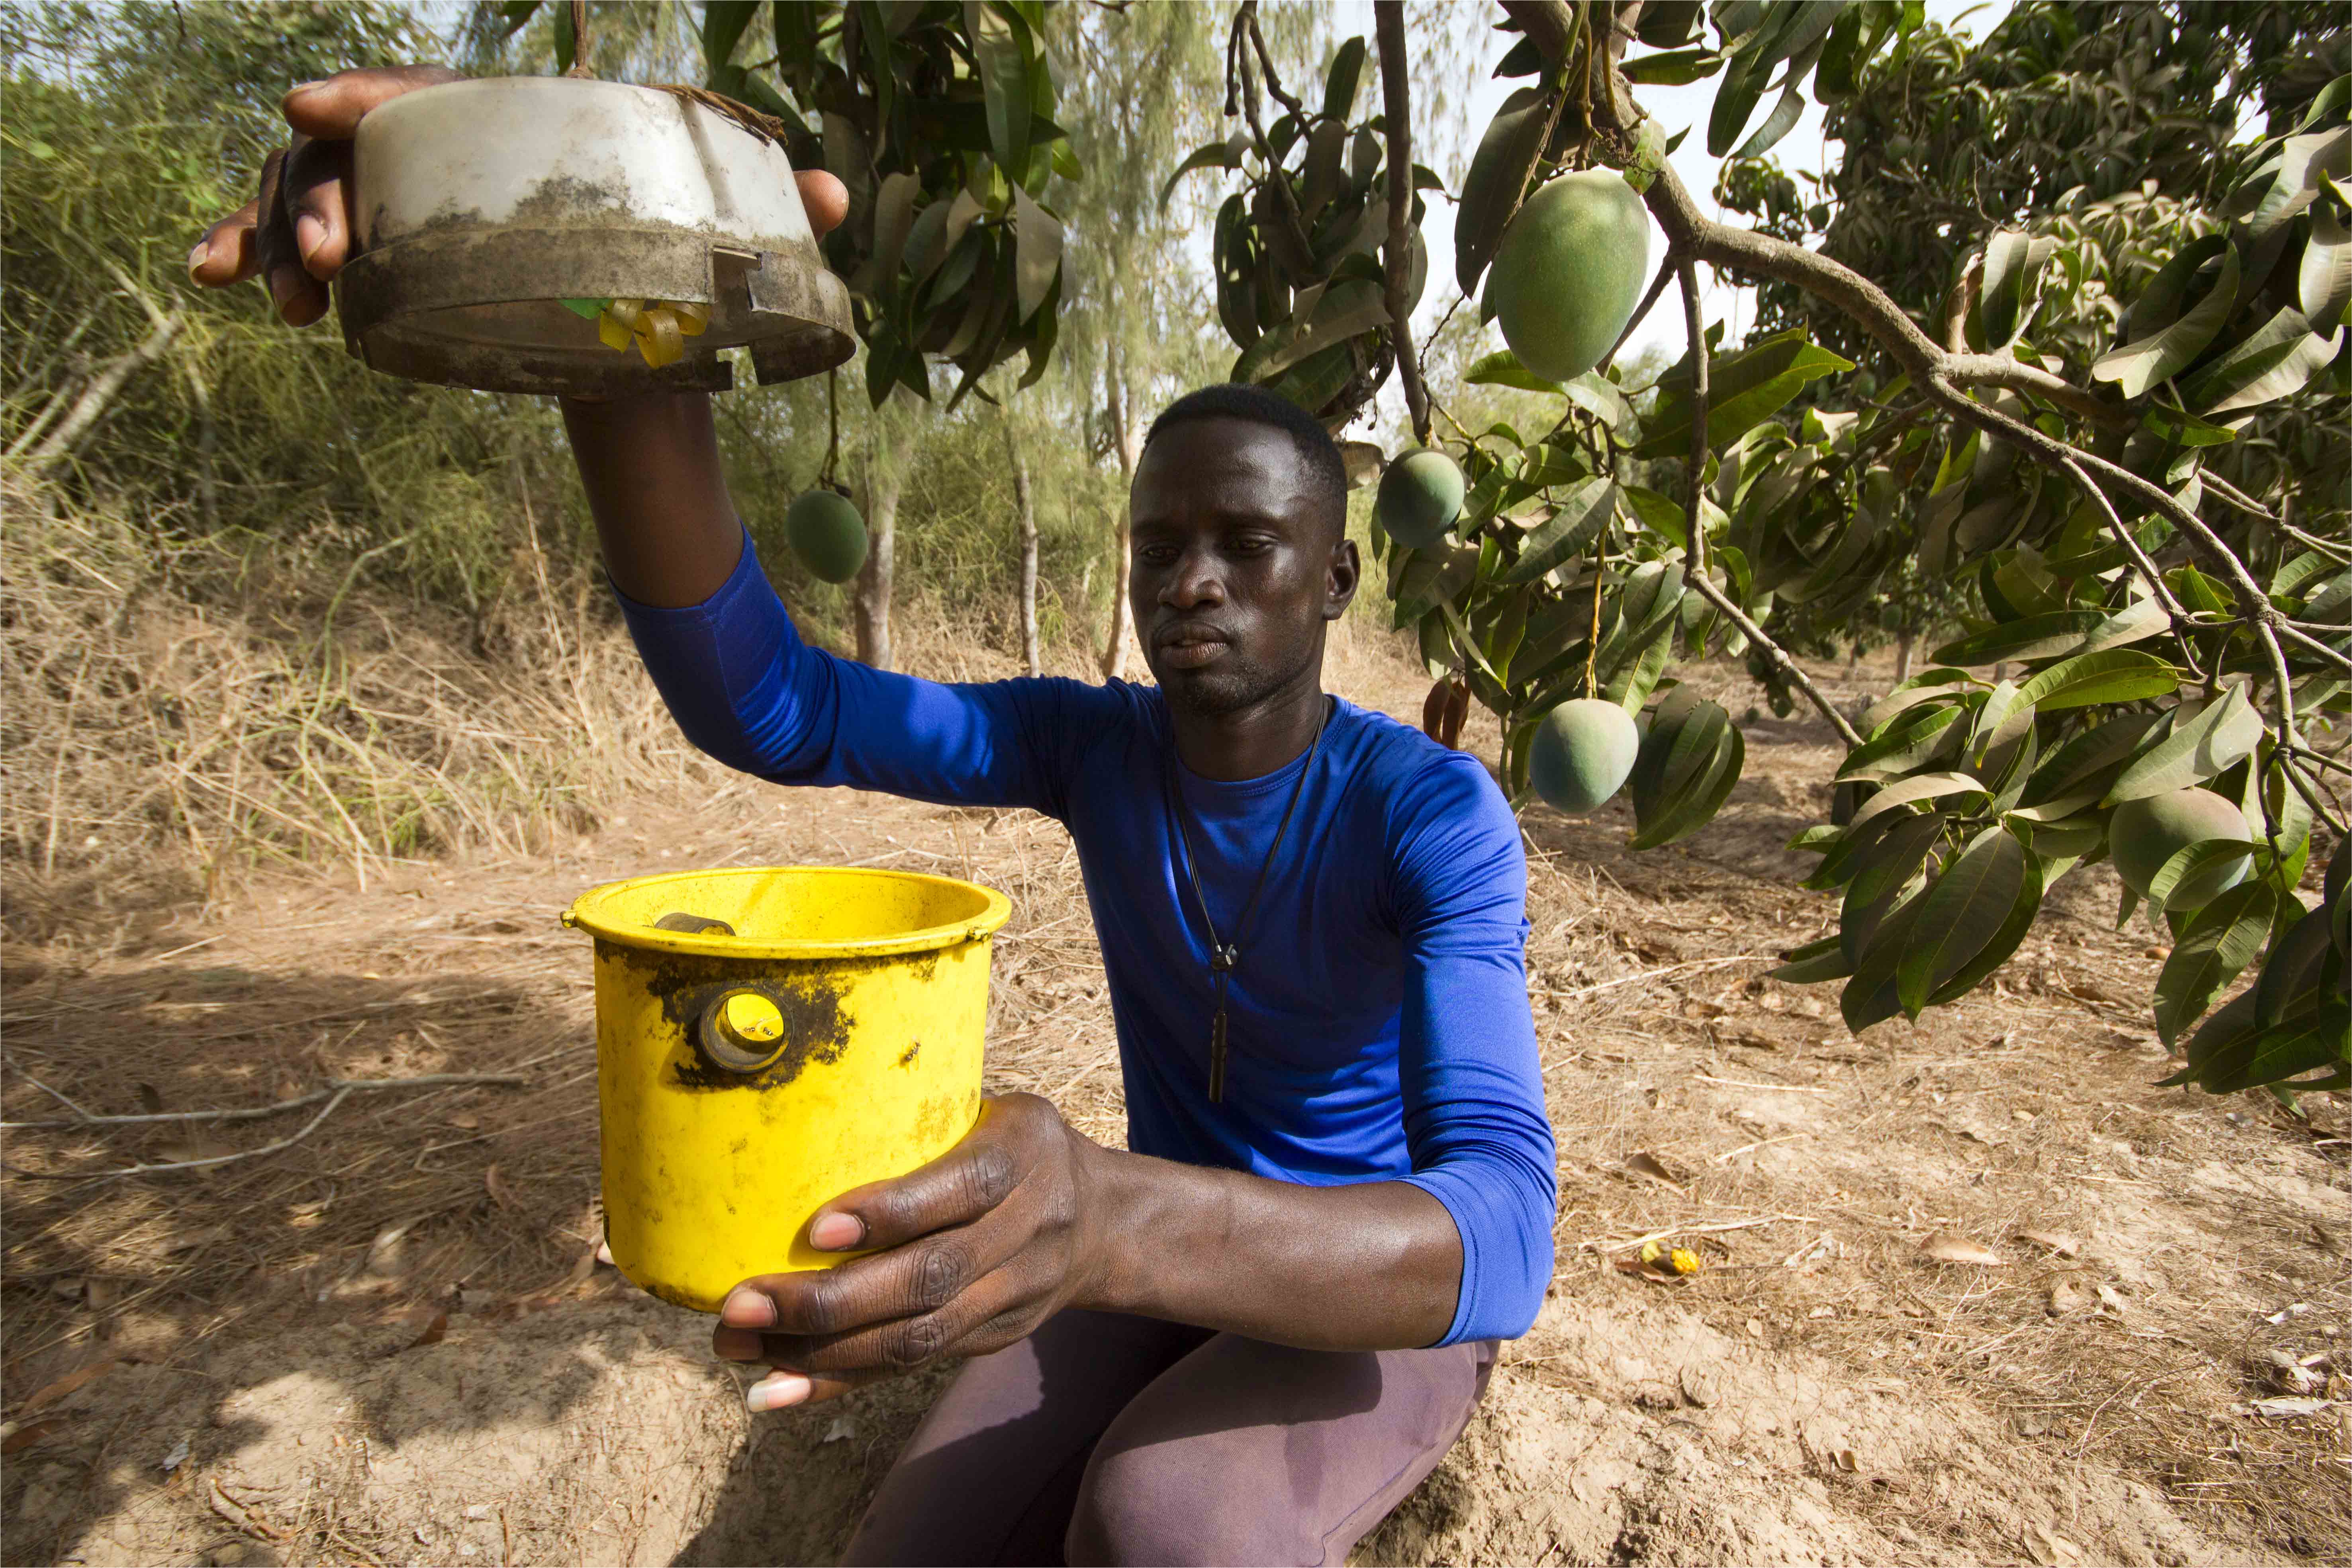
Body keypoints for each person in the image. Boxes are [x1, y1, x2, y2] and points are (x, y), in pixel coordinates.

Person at [194, 69, 1557, 1568]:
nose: (1195, 582)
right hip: (1165, 1257)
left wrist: (1104, 1219)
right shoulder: (1091, 747)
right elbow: (772, 706)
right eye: (1161, 545)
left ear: (1339, 578)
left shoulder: (1428, 809)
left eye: (1249, 544)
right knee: (906, 1547)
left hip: (1363, 1302)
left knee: (1165, 1518)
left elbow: (1497, 1229)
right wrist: (599, 274)